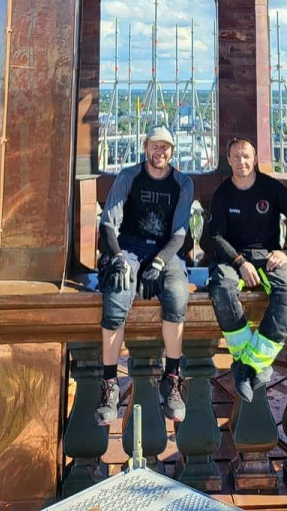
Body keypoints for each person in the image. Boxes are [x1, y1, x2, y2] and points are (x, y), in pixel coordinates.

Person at [95, 125, 194, 426]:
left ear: (172, 152)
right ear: (145, 146)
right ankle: (110, 383)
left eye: (165, 147)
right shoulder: (129, 177)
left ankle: (172, 377)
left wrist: (160, 263)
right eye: (155, 145)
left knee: (177, 295)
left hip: (166, 251)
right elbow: (108, 224)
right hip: (129, 248)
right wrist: (116, 258)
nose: (159, 151)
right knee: (117, 292)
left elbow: (180, 233)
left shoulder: (182, 183)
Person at [208, 136, 287, 402]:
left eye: (246, 156)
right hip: (234, 258)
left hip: (269, 255)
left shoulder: (270, 187)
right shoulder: (222, 194)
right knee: (221, 288)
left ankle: (248, 365)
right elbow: (215, 237)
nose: (241, 161)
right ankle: (250, 362)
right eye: (236, 156)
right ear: (228, 160)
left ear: (254, 159)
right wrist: (239, 262)